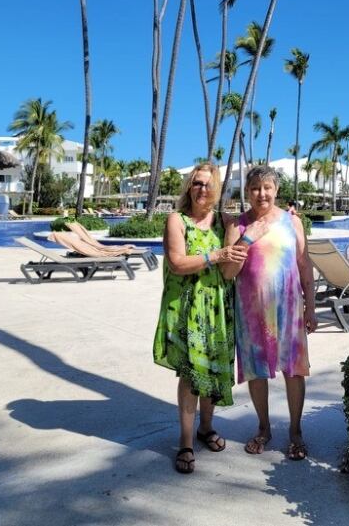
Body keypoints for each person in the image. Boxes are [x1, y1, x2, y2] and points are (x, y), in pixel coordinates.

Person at [153, 162, 249, 475]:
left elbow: (230, 270)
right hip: (186, 307)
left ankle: (205, 428)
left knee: (213, 371)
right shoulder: (176, 220)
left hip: (218, 307)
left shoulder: (225, 222)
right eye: (196, 183)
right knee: (191, 375)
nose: (202, 189)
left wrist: (237, 238)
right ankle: (184, 442)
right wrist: (216, 255)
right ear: (188, 187)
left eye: (208, 184)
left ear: (217, 189)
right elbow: (178, 263)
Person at [223, 165, 318, 461]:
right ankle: (263, 428)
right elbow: (228, 272)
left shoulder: (293, 223)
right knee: (256, 372)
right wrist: (246, 239)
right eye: (255, 188)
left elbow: (304, 265)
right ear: (247, 192)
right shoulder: (237, 225)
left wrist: (311, 307)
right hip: (251, 312)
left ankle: (296, 431)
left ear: (276, 190)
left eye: (267, 188)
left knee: (294, 370)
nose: (261, 194)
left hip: (288, 310)